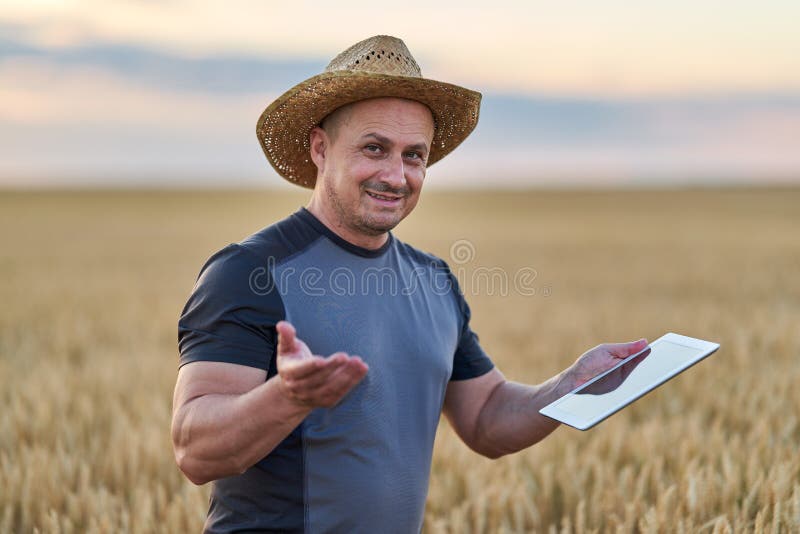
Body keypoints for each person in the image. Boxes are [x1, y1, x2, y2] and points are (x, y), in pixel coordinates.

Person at [171, 35, 647, 533]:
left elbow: (485, 417)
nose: (396, 176)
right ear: (320, 147)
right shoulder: (249, 272)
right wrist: (290, 398)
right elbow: (194, 451)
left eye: (414, 156)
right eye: (374, 149)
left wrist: (570, 385)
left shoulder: (433, 282)